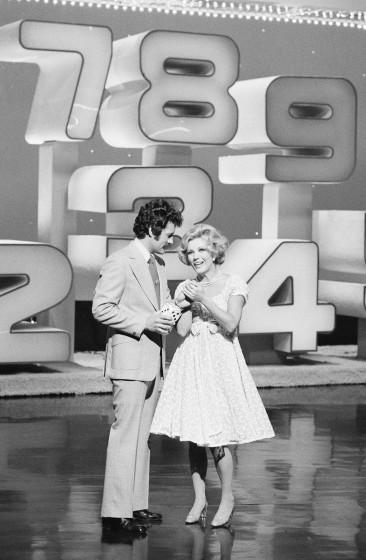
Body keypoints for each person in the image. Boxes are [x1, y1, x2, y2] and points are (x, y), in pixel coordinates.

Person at [150, 224, 275, 529]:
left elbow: (231, 324)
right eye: (190, 252)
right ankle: (199, 498)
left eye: (201, 250)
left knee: (220, 437)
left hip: (221, 363)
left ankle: (228, 496)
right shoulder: (186, 287)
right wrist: (185, 302)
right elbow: (179, 331)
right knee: (194, 435)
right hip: (192, 361)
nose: (195, 257)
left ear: (215, 251)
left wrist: (204, 299)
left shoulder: (234, 283)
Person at [92, 198, 183, 538]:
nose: (172, 241)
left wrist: (176, 307)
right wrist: (143, 321)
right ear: (151, 228)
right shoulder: (120, 261)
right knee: (125, 436)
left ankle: (135, 505)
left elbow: (160, 305)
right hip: (129, 361)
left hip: (153, 361)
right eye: (168, 235)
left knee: (142, 439)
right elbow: (101, 308)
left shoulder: (158, 263)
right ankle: (115, 518)